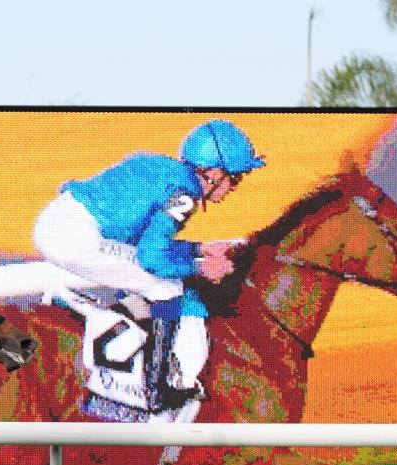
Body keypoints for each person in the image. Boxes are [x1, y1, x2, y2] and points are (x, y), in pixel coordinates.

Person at [33, 118, 265, 399]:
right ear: (213, 173)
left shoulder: (164, 169)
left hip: (58, 220)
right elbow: (151, 260)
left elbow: (145, 247)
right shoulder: (184, 195)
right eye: (234, 178)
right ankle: (159, 384)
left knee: (144, 277)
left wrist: (199, 249)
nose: (234, 188)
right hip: (78, 237)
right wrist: (201, 269)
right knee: (167, 286)